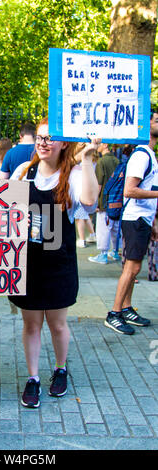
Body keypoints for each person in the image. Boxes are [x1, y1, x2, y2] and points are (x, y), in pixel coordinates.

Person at [8, 117, 99, 408]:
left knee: (57, 325)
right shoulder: (24, 171)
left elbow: (89, 202)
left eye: (50, 138)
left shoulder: (72, 174)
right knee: (31, 323)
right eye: (40, 136)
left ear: (63, 143)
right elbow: (4, 208)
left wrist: (87, 160)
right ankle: (33, 377)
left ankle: (61, 369)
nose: (43, 142)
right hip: (28, 263)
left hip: (59, 263)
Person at [105, 110, 158, 335]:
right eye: (157, 120)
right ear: (146, 127)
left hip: (142, 219)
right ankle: (114, 313)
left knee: (132, 267)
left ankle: (126, 308)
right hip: (134, 218)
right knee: (133, 267)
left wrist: (152, 223)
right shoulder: (142, 155)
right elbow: (130, 190)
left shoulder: (148, 154)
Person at [88, 143, 122, 264]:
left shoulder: (101, 162)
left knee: (103, 228)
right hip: (117, 200)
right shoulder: (117, 160)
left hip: (105, 200)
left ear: (105, 145)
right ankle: (115, 251)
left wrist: (95, 201)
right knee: (115, 228)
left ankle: (103, 254)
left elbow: (99, 184)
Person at [73, 142, 97, 247]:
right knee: (84, 215)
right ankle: (92, 234)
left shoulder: (84, 162)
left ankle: (82, 240)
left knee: (79, 217)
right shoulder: (94, 161)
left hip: (81, 191)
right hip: (88, 191)